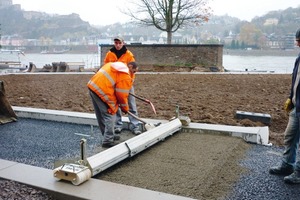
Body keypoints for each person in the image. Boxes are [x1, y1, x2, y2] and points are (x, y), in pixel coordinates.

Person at [269, 28, 300, 184]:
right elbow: (295, 81)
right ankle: (287, 165)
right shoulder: (299, 59)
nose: (297, 43)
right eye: (297, 40)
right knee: (290, 137)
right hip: (297, 107)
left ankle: (299, 173)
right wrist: (291, 98)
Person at [87, 61, 138, 148]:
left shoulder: (116, 65)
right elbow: (121, 95)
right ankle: (108, 140)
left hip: (92, 86)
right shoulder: (125, 75)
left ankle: (106, 135)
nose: (133, 74)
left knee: (100, 114)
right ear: (130, 67)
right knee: (110, 114)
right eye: (134, 71)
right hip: (102, 90)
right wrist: (125, 108)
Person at [104, 36, 141, 135]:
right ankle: (118, 125)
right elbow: (106, 68)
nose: (118, 45)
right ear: (114, 43)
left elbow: (133, 70)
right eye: (116, 43)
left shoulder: (128, 55)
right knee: (116, 105)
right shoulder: (109, 54)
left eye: (119, 43)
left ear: (123, 43)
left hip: (126, 84)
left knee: (131, 104)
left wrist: (130, 83)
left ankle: (135, 125)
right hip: (114, 84)